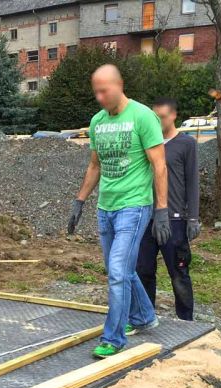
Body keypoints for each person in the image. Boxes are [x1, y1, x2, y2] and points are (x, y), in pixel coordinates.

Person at [67, 64, 170, 359]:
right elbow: (95, 165)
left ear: (119, 85)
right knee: (120, 270)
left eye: (104, 90)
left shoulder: (142, 117)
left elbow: (159, 165)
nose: (99, 97)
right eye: (95, 92)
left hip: (134, 207)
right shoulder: (98, 121)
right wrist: (79, 201)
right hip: (106, 207)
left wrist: (161, 209)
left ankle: (113, 338)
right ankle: (145, 317)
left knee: (117, 273)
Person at [136, 97, 200, 321]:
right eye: (155, 117)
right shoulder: (146, 143)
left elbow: (192, 181)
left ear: (174, 116)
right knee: (143, 270)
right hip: (146, 218)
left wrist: (193, 217)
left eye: (162, 117)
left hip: (174, 220)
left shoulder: (186, 144)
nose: (158, 122)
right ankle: (145, 317)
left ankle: (185, 319)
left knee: (179, 273)